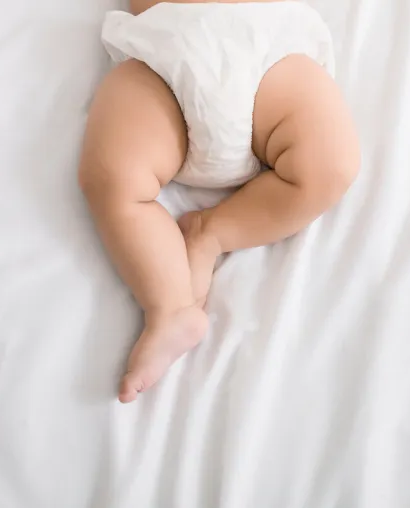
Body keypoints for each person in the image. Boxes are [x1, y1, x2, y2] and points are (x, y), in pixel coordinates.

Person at [78, 0, 360, 403]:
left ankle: (212, 232)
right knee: (111, 177)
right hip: (165, 56)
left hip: (268, 50)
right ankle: (171, 306)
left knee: (331, 165)